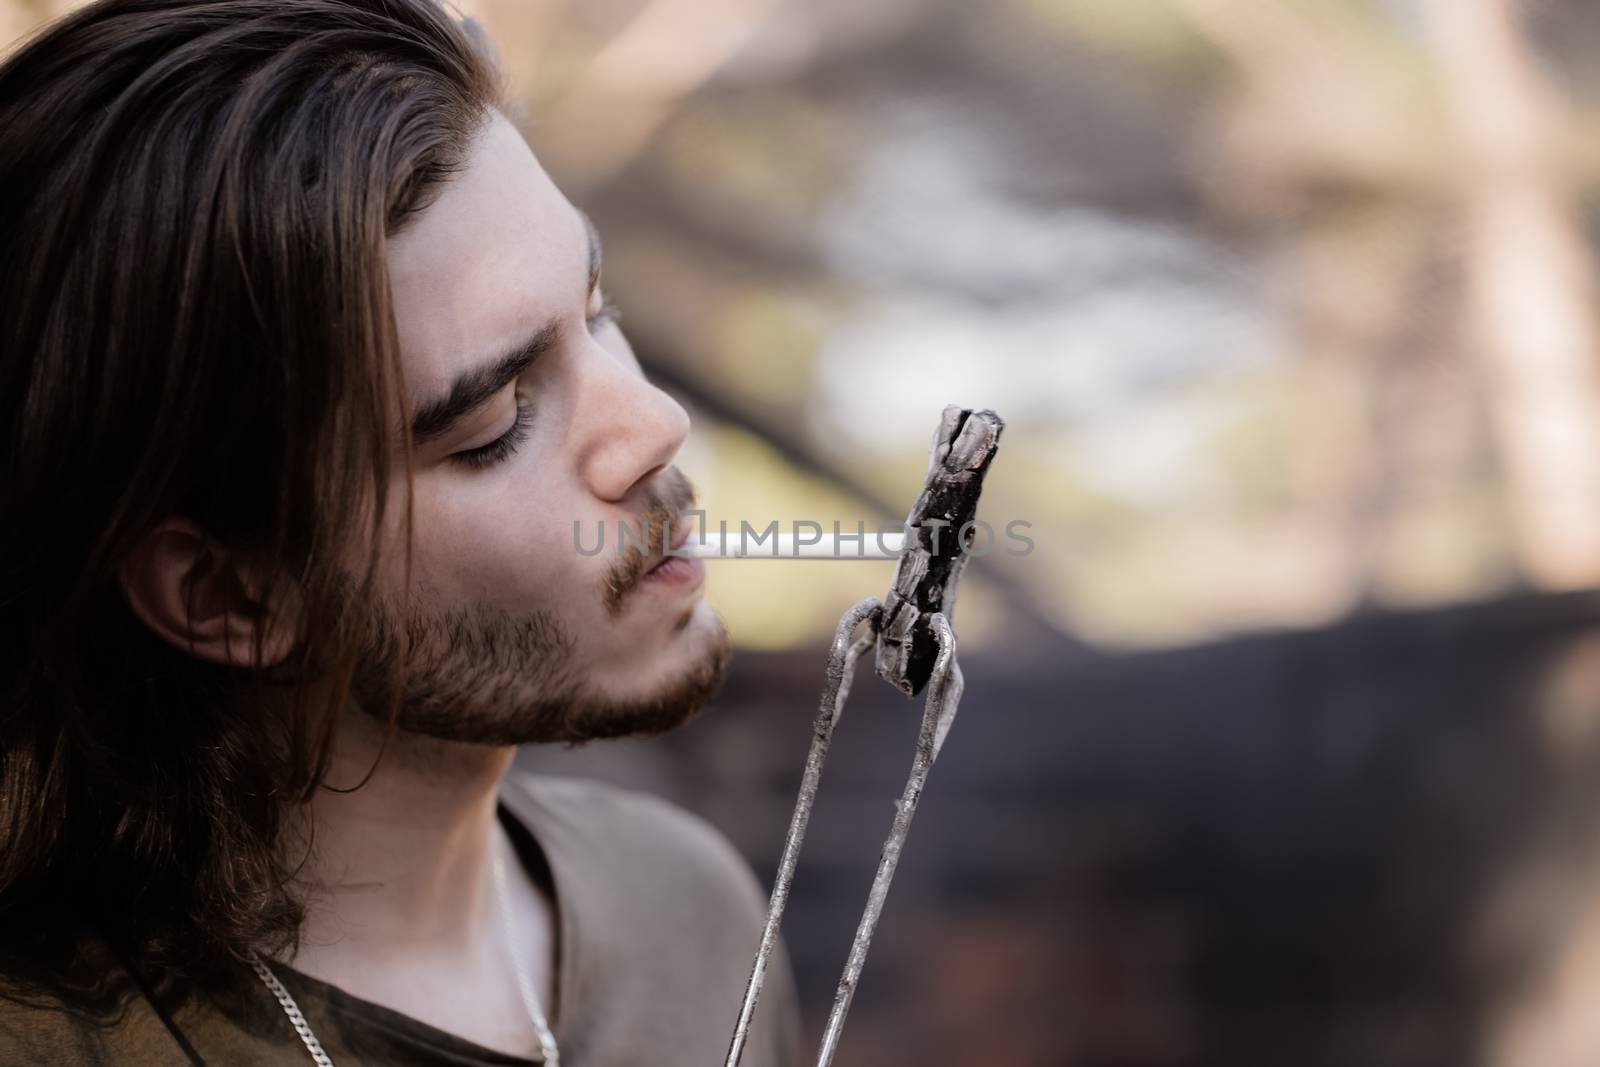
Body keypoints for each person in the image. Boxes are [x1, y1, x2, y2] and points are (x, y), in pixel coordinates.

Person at [0, 0, 804, 1063]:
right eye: (495, 423)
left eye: (597, 309)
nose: (653, 425)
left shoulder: (687, 912)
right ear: (228, 592)